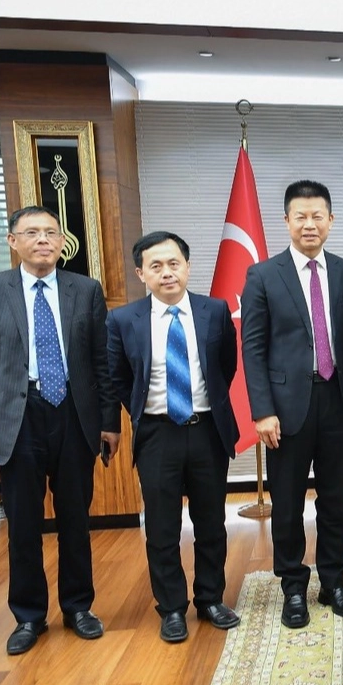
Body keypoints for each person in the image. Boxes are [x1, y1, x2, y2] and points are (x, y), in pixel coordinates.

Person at [0, 205, 120, 655]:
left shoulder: (85, 290)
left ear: (62, 241)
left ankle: (78, 607)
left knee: (75, 520)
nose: (43, 240)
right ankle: (29, 616)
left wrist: (109, 422)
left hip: (73, 414)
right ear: (13, 242)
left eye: (51, 232)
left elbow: (102, 363)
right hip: (17, 418)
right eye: (32, 232)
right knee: (24, 526)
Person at [106, 231, 242, 643]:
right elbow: (119, 378)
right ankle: (171, 609)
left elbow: (226, 367)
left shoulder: (214, 311)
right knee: (162, 527)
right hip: (157, 434)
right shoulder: (123, 320)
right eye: (156, 266)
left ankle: (210, 599)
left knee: (211, 523)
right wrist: (147, 412)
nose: (167, 273)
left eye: (174, 263)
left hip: (207, 430)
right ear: (141, 274)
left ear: (187, 266)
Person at [241, 180, 343, 627]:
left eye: (317, 216)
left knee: (336, 500)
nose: (309, 224)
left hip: (338, 401)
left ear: (330, 220)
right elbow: (252, 347)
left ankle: (334, 581)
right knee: (288, 504)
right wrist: (261, 410)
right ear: (287, 221)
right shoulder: (263, 275)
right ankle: (293, 587)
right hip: (285, 407)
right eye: (300, 216)